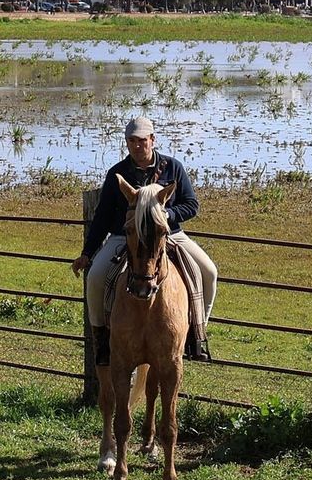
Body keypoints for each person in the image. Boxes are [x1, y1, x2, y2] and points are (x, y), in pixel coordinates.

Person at [73, 117, 217, 363]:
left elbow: (191, 205)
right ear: (127, 143)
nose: (137, 146)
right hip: (125, 236)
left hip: (168, 234)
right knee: (96, 276)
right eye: (132, 141)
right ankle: (102, 338)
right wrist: (88, 252)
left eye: (142, 141)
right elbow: (103, 216)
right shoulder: (117, 173)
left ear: (153, 140)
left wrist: (167, 215)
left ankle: (196, 334)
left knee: (208, 271)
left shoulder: (173, 167)